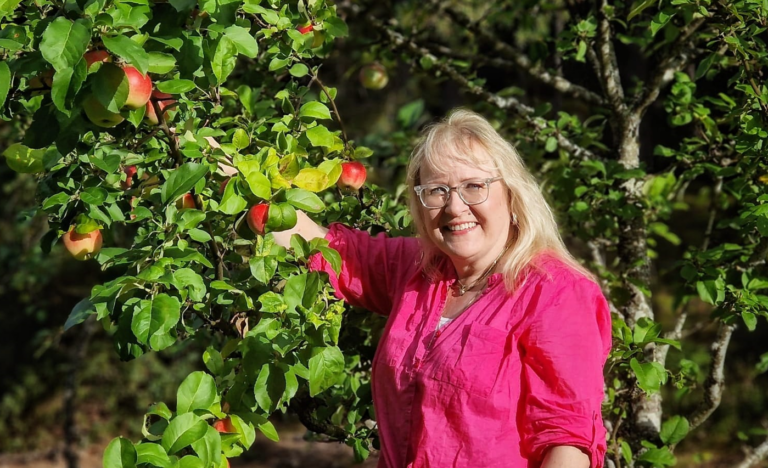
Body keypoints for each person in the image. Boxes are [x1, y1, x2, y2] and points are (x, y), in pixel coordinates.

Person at [273, 109, 612, 468]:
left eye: (474, 187)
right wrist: (226, 169)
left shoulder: (555, 293)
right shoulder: (419, 271)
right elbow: (325, 250)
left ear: (512, 194)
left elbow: (566, 440)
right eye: (437, 190)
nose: (454, 206)